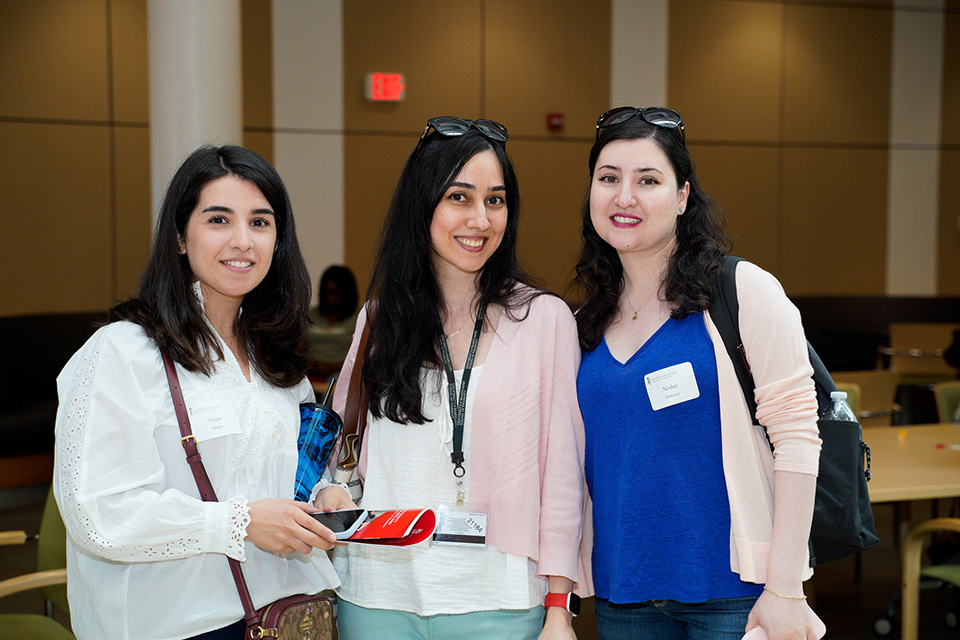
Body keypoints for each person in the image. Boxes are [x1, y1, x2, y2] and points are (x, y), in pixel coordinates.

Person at [53, 145, 354, 639]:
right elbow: (98, 514)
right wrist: (237, 524)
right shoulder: (122, 353)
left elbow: (290, 473)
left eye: (260, 223)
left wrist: (323, 499)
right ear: (179, 237)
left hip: (283, 617)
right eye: (219, 219)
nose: (243, 241)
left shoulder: (275, 359)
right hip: (176, 624)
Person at [315, 117, 585, 640]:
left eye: (496, 199)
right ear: (423, 206)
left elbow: (563, 478)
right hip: (376, 596)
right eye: (459, 197)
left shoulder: (544, 321)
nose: (480, 219)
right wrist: (331, 490)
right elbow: (336, 442)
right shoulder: (379, 318)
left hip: (499, 601)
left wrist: (559, 607)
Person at [573, 107, 823, 640]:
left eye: (648, 180)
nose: (624, 197)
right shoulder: (584, 322)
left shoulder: (742, 291)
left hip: (735, 594)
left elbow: (799, 438)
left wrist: (784, 588)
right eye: (608, 179)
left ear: (683, 196)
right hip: (625, 592)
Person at [307, 265, 360, 378]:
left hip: (343, 373)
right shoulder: (311, 315)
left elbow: (363, 355)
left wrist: (334, 368)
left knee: (336, 379)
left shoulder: (358, 317)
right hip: (311, 371)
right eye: (327, 293)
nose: (331, 299)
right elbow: (298, 347)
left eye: (336, 294)